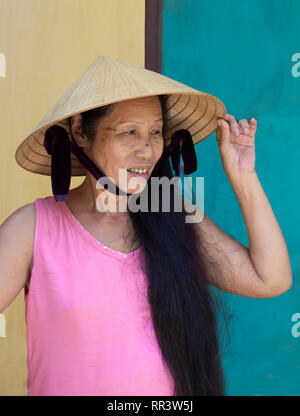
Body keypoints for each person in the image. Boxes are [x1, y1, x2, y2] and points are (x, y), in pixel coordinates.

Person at [0, 56, 293, 396]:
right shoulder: (32, 229)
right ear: (80, 131)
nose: (147, 149)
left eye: (156, 132)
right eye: (130, 133)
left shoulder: (173, 217)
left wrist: (243, 177)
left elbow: (270, 278)